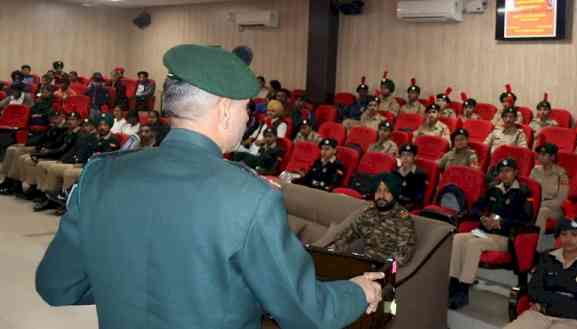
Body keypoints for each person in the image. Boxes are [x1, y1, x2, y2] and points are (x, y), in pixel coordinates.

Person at [35, 44, 384, 329]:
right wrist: (356, 292)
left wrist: (127, 285)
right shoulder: (250, 197)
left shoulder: (101, 174)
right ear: (226, 110)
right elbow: (306, 312)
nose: (249, 119)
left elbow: (56, 285)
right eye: (248, 108)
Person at [449, 158, 533, 309]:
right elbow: (476, 207)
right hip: (485, 232)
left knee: (473, 244)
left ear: (516, 173)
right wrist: (482, 217)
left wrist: (501, 223)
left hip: (506, 237)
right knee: (458, 238)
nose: (504, 174)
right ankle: (453, 283)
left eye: (508, 171)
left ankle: (463, 289)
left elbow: (526, 221)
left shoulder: (523, 192)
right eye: (501, 171)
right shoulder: (494, 188)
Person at [505, 217, 577, 329]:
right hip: (539, 315)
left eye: (574, 235)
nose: (568, 239)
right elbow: (534, 290)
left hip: (573, 321)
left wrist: (545, 306)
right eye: (564, 234)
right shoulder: (547, 258)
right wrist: (567, 300)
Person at [322, 173, 417, 265]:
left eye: (387, 191)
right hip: (361, 262)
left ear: (394, 194)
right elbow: (349, 233)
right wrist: (333, 250)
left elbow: (402, 255)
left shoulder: (403, 219)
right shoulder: (369, 211)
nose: (381, 195)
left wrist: (381, 268)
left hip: (381, 268)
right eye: (378, 191)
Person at [33, 118, 100, 212]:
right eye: (85, 125)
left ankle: (66, 201)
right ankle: (50, 198)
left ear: (94, 127)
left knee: (69, 173)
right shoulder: (84, 136)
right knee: (53, 168)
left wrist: (82, 163)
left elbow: (96, 156)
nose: (86, 127)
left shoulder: (95, 138)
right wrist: (63, 160)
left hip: (84, 165)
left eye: (88, 126)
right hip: (76, 162)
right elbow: (72, 150)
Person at [16, 112, 82, 201]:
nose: (70, 122)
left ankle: (45, 194)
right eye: (69, 119)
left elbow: (64, 150)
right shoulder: (65, 131)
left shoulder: (79, 134)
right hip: (57, 155)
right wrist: (42, 151)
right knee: (29, 160)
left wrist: (46, 153)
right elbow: (56, 143)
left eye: (73, 120)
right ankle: (35, 188)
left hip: (61, 158)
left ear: (79, 122)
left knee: (41, 164)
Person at [0, 112, 66, 195]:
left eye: (57, 117)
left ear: (62, 118)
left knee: (18, 152)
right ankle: (8, 179)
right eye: (53, 118)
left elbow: (56, 143)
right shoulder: (52, 127)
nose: (54, 120)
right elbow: (42, 139)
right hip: (39, 146)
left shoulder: (63, 129)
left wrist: (39, 147)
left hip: (45, 150)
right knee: (11, 149)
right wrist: (28, 145)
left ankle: (15, 183)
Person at [530, 139, 569, 240]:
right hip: (536, 205)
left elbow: (560, 201)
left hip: (554, 210)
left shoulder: (561, 174)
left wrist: (539, 205)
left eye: (544, 154)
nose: (540, 156)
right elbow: (529, 190)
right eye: (539, 154)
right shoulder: (535, 170)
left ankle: (536, 244)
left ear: (552, 157)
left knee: (543, 211)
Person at [392, 144, 427, 210]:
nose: (405, 158)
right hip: (394, 204)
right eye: (403, 155)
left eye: (409, 155)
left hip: (410, 206)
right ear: (400, 157)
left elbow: (419, 196)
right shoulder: (395, 172)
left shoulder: (420, 174)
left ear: (415, 157)